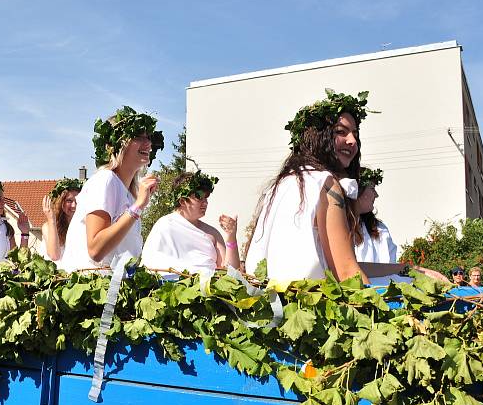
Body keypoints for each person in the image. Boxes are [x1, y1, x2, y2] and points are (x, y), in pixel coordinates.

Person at [245, 89, 372, 283]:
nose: (352, 140)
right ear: (318, 137)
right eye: (341, 132)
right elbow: (347, 273)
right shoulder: (327, 185)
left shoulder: (284, 183)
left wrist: (403, 268)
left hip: (277, 304)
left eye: (355, 133)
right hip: (314, 307)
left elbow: (340, 263)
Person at [59, 106, 163, 272]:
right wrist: (138, 207)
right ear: (117, 144)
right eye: (138, 137)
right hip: (91, 289)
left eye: (149, 137)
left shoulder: (128, 192)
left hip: (112, 289)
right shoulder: (105, 180)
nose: (148, 143)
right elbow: (96, 250)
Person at [142, 171, 240, 273]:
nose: (205, 203)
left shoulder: (212, 233)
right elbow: (150, 265)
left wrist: (231, 236)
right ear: (182, 201)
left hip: (209, 287)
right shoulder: (164, 225)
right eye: (199, 197)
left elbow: (231, 273)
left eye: (206, 198)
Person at [353, 167, 397, 263]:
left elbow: (391, 265)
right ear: (358, 190)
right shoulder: (339, 226)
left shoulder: (379, 229)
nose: (376, 195)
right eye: (372, 189)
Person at [0, 178, 31, 262]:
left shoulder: (6, 227)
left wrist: (25, 233)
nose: (3, 203)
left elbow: (16, 259)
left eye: (3, 199)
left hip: (3, 273)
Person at [41, 177, 83, 262]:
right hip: (56, 274)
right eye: (69, 201)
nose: (74, 205)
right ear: (61, 202)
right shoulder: (48, 227)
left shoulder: (84, 225)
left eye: (78, 200)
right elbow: (54, 256)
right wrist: (51, 219)